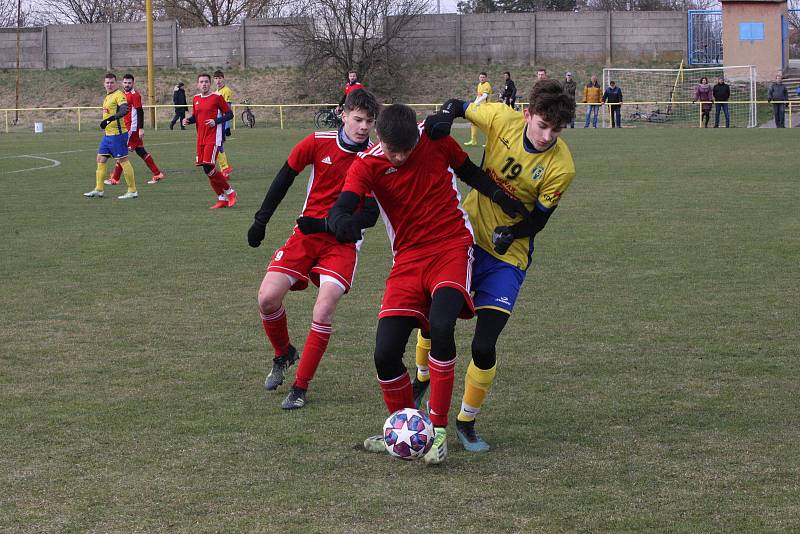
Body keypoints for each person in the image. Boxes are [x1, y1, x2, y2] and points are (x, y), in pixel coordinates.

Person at [321, 104, 528, 464]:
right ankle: (404, 427)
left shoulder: (435, 139)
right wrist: (338, 219)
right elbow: (346, 202)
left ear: (416, 138)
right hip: (407, 260)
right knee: (384, 353)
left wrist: (501, 197)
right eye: (392, 151)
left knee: (442, 325)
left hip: (451, 247)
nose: (399, 157)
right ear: (379, 140)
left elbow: (470, 173)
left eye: (406, 150)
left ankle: (439, 431)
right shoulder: (367, 163)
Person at [416, 79, 576, 452]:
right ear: (527, 115)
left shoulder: (561, 168)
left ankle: (466, 421)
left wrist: (514, 232)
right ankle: (422, 377)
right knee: (433, 317)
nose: (547, 136)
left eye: (556, 130)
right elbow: (457, 104)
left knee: (484, 345)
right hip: (465, 238)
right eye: (542, 125)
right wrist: (442, 118)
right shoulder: (501, 119)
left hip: (509, 257)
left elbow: (538, 221)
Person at [247, 89, 381, 410]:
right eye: (358, 119)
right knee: (267, 298)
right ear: (343, 114)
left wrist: (326, 226)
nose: (363, 127)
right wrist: (261, 220)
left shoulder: (375, 157)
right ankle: (284, 354)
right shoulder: (317, 141)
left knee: (323, 309)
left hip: (344, 242)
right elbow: (285, 177)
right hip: (304, 236)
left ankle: (300, 387)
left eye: (370, 121)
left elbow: (370, 215)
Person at [183, 73, 237, 209]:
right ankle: (221, 198)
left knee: (208, 166)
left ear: (210, 83)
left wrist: (216, 121)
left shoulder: (217, 98)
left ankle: (230, 192)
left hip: (213, 137)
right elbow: (197, 116)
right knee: (208, 170)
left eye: (206, 81)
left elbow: (230, 114)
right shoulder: (195, 99)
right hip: (200, 137)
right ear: (197, 84)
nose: (204, 84)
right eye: (201, 82)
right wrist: (188, 120)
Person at [83, 73, 138, 200]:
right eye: (107, 82)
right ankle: (99, 189)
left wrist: (109, 120)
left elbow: (125, 110)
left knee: (123, 160)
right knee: (100, 159)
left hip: (118, 135)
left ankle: (132, 190)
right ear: (104, 84)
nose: (109, 84)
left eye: (112, 82)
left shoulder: (119, 95)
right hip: (108, 135)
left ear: (116, 83)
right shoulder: (108, 96)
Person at [104, 74, 165, 186]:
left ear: (133, 84)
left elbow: (140, 111)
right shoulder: (122, 94)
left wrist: (140, 128)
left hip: (132, 129)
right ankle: (157, 173)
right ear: (122, 83)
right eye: (125, 83)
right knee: (141, 151)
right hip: (128, 127)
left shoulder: (135, 95)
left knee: (122, 152)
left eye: (129, 83)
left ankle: (115, 178)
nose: (127, 85)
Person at [213, 70, 234, 177]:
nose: (218, 80)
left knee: (216, 145)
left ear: (223, 78)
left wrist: (227, 126)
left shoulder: (226, 91)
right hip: (215, 123)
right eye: (216, 78)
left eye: (220, 78)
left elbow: (228, 110)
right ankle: (224, 171)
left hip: (221, 124)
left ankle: (225, 168)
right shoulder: (216, 91)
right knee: (218, 145)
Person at [465, 72, 492, 146]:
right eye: (481, 77)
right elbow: (479, 96)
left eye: (483, 77)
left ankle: (488, 142)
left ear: (486, 78)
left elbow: (484, 96)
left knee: (486, 124)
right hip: (479, 107)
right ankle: (473, 140)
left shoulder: (487, 85)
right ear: (479, 78)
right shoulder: (479, 85)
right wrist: (474, 104)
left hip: (486, 107)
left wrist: (476, 103)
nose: (482, 78)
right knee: (473, 122)